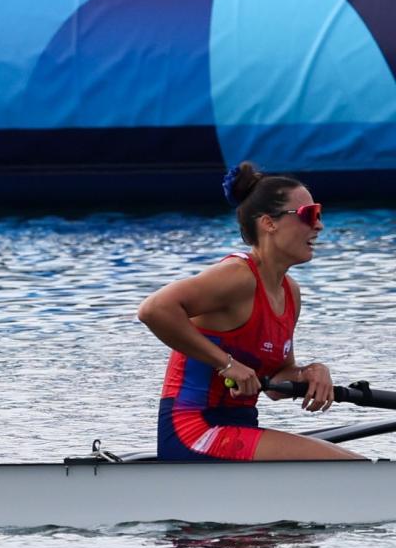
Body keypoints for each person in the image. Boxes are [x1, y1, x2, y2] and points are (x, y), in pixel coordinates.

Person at [137, 162, 361, 462]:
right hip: (194, 431)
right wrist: (226, 364)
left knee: (354, 463)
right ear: (269, 223)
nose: (319, 225)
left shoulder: (290, 293)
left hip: (237, 429)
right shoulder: (237, 276)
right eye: (309, 215)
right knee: (350, 466)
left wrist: (311, 372)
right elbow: (153, 309)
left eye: (318, 214)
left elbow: (276, 384)